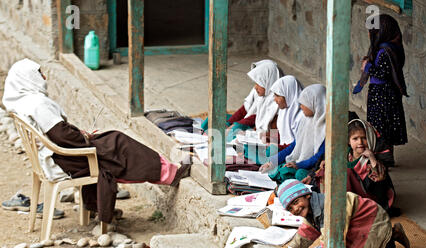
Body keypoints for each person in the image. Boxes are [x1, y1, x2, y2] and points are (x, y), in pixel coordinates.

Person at [2, 58, 191, 224]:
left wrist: (81, 135)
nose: (44, 78)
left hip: (51, 159)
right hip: (65, 160)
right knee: (119, 143)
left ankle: (97, 207)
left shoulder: (22, 102)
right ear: (27, 78)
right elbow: (62, 135)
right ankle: (169, 174)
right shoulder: (38, 104)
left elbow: (58, 133)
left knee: (111, 141)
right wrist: (84, 137)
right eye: (39, 74)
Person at [277, 180, 410, 248]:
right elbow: (307, 229)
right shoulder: (312, 209)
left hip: (373, 226)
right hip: (357, 229)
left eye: (296, 202)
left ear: (307, 195)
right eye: (290, 208)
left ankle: (391, 236)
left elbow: (333, 234)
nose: (295, 209)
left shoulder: (330, 205)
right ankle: (391, 236)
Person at [308, 118, 398, 216]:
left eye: (364, 138)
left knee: (347, 172)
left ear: (370, 138)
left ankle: (345, 209)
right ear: (348, 141)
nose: (360, 142)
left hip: (366, 198)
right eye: (355, 139)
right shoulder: (344, 154)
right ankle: (332, 205)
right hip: (346, 195)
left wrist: (372, 159)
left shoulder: (374, 160)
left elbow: (378, 190)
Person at [353, 14, 408, 166]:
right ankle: (385, 157)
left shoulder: (386, 51)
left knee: (381, 126)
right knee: (384, 125)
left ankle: (384, 159)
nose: (371, 35)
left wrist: (367, 66)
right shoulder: (391, 47)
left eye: (373, 31)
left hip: (383, 93)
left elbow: (383, 73)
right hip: (384, 92)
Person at [201, 59, 283, 142]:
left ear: (268, 82)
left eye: (259, 83)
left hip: (256, 128)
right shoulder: (259, 91)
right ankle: (203, 136)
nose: (255, 87)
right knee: (215, 118)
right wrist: (229, 123)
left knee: (235, 130)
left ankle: (219, 142)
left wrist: (235, 125)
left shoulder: (276, 100)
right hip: (248, 120)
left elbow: (256, 119)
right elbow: (245, 109)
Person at [260, 84, 326, 184]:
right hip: (296, 160)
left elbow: (318, 157)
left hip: (311, 168)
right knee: (272, 161)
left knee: (295, 173)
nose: (301, 107)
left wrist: (298, 164)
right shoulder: (305, 120)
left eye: (304, 104)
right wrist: (273, 161)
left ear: (315, 103)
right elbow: (295, 145)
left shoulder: (325, 127)